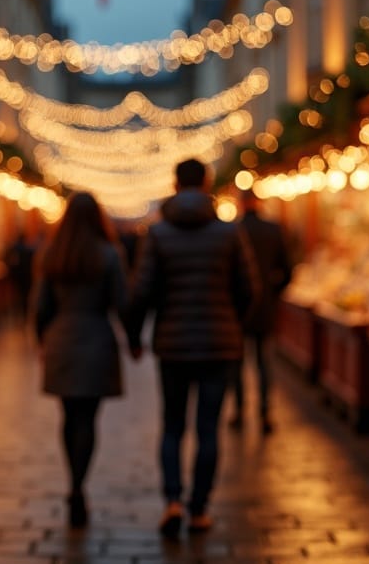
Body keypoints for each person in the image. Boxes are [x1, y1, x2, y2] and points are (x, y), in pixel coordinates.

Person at [125, 158, 260, 538]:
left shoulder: (159, 234)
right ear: (206, 184)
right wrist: (233, 323)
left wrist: (135, 337)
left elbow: (142, 291)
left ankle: (172, 500)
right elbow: (250, 289)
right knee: (208, 430)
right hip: (219, 346)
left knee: (172, 426)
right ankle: (199, 509)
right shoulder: (228, 233)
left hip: (172, 345)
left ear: (174, 183)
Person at [33, 192, 128, 529]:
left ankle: (72, 480)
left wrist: (40, 340)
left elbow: (42, 307)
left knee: (69, 415)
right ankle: (78, 485)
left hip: (62, 339)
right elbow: (121, 302)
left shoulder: (53, 254)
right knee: (88, 418)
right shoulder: (109, 255)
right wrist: (133, 340)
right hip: (97, 340)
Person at [229, 188, 292, 434]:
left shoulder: (233, 230)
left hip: (237, 308)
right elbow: (287, 269)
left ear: (241, 204)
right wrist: (273, 293)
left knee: (237, 362)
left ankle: (239, 408)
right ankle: (265, 411)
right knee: (264, 361)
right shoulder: (273, 230)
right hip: (265, 305)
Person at [5, 232, 35, 316]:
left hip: (16, 277)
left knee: (18, 296)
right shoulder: (27, 249)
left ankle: (20, 312)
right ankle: (24, 312)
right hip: (26, 277)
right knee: (24, 296)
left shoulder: (14, 248)